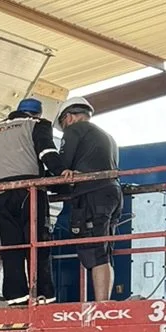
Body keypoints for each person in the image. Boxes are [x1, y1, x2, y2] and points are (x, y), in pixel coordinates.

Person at [0, 97, 57, 302]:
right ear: (37, 113)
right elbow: (47, 153)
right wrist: (64, 175)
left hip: (0, 194)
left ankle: (16, 297)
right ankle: (44, 295)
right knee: (37, 244)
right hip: (30, 192)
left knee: (11, 246)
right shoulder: (37, 125)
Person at [55, 96, 122, 303]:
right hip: (113, 192)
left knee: (94, 251)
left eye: (63, 123)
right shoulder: (108, 136)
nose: (64, 127)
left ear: (69, 117)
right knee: (104, 251)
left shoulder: (75, 130)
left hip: (92, 194)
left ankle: (101, 304)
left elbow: (63, 166)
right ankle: (104, 301)